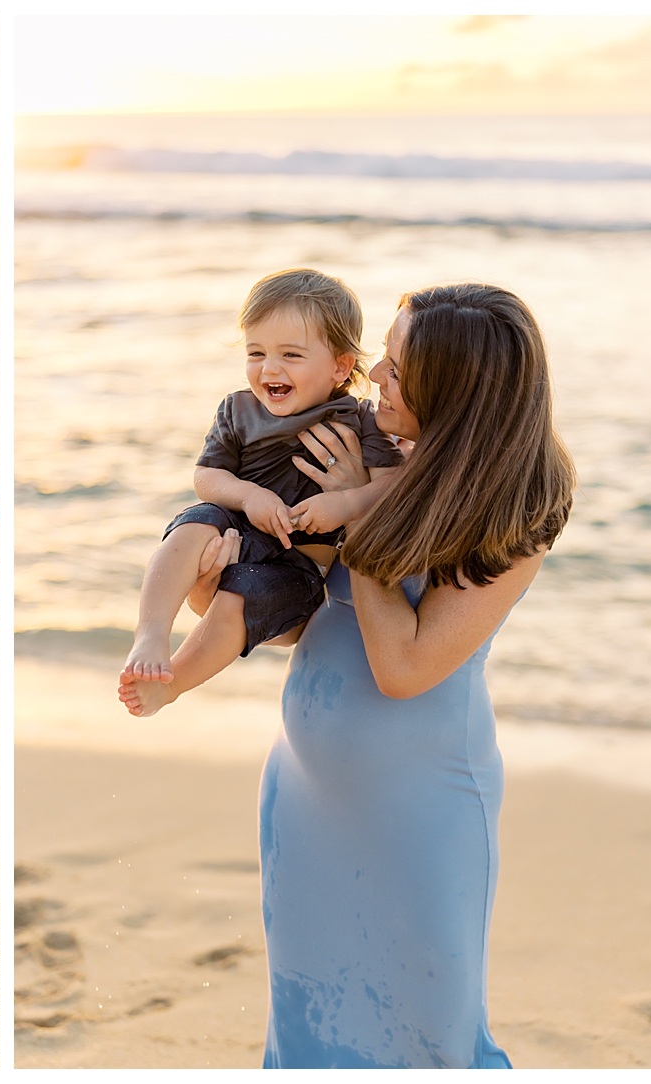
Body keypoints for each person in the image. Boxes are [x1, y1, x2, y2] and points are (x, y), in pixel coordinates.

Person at [142, 284, 574, 1067]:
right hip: (304, 794)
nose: (374, 373)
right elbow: (312, 616)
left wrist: (358, 514)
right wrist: (222, 585)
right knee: (309, 1036)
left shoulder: (514, 509)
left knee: (427, 1044)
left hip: (418, 813)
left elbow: (403, 665)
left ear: (454, 390)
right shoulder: (364, 449)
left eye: (399, 370)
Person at [119, 268, 402, 717]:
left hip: (301, 560)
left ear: (340, 366)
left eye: (291, 354)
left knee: (239, 597)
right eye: (256, 352)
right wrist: (249, 497)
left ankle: (173, 685)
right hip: (238, 527)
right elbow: (207, 477)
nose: (269, 368)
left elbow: (391, 485)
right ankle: (151, 633)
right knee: (191, 527)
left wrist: (344, 503)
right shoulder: (238, 410)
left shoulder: (359, 419)